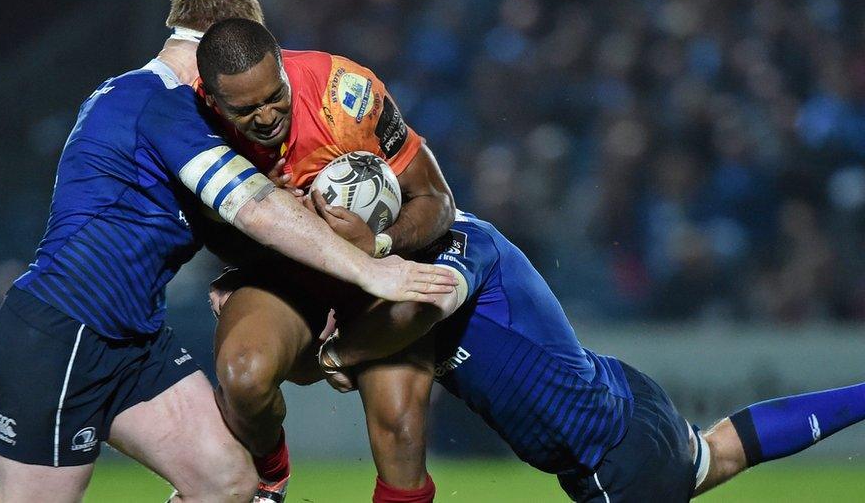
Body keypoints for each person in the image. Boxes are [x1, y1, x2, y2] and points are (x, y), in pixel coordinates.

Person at [0, 0, 456, 503]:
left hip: (134, 341)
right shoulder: (163, 102)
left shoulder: (154, 104)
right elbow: (256, 209)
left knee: (229, 482)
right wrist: (372, 268)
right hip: (66, 331)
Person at [316, 210, 865, 502]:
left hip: (609, 461)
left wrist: (343, 353)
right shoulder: (401, 279)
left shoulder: (458, 244)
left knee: (715, 457)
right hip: (628, 407)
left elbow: (430, 304)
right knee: (721, 452)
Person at [193, 18, 456, 502]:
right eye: (246, 109)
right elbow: (207, 237)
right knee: (242, 377)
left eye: (276, 95)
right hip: (284, 277)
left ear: (283, 68)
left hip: (376, 276)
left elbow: (437, 201)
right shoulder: (190, 124)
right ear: (213, 101)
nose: (268, 116)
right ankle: (270, 481)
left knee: (400, 428)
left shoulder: (345, 94)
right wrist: (261, 216)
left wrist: (378, 244)